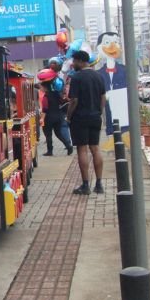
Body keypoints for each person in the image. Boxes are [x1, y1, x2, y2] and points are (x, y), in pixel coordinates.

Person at [66, 50, 106, 195]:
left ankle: (85, 185)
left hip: (80, 118)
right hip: (95, 117)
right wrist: (99, 112)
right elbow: (103, 97)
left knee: (82, 149)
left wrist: (68, 116)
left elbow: (74, 100)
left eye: (74, 61)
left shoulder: (76, 77)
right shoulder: (98, 76)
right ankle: (99, 184)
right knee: (95, 148)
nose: (73, 64)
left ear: (81, 61)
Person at [40, 82, 73, 156]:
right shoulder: (56, 93)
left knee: (48, 135)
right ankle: (68, 146)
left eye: (41, 87)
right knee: (58, 133)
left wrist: (42, 118)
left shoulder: (45, 96)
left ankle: (50, 151)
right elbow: (62, 102)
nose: (41, 89)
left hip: (49, 117)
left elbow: (45, 108)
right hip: (58, 117)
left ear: (45, 87)